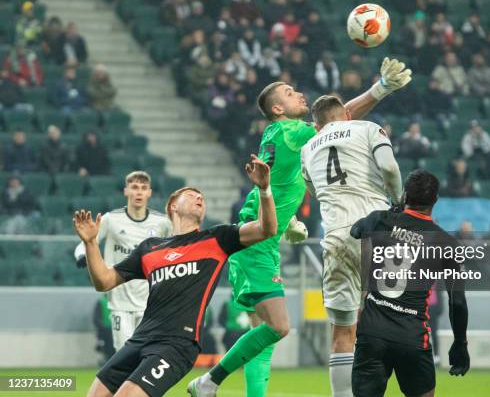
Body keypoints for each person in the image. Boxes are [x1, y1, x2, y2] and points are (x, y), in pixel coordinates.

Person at [189, 58, 412, 397]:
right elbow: (339, 121)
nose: (300, 95)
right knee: (277, 327)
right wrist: (379, 89)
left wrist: (287, 220)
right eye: (291, 93)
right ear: (278, 108)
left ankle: (220, 387)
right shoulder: (294, 132)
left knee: (263, 331)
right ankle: (210, 380)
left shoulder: (282, 136)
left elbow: (279, 183)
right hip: (256, 238)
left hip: (262, 233)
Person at [75, 155, 277, 397]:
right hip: (140, 339)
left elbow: (267, 228)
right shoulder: (150, 248)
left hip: (176, 344)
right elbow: (104, 281)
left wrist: (264, 190)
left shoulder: (217, 239)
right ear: (173, 205)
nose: (199, 197)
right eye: (191, 195)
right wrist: (90, 244)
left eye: (201, 197)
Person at [300, 95, 403, 397]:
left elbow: (316, 193)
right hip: (379, 231)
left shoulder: (308, 149)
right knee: (393, 320)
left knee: (343, 330)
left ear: (316, 125)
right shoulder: (368, 128)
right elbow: (390, 169)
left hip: (337, 237)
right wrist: (397, 204)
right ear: (346, 114)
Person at [350, 169, 470, 397]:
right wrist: (460, 343)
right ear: (435, 200)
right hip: (412, 335)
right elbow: (458, 302)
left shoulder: (380, 220)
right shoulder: (447, 243)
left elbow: (356, 230)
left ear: (404, 195)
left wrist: (390, 213)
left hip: (372, 332)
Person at [74, 171, 173, 352]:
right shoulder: (111, 220)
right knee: (125, 354)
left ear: (149, 193)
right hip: (120, 302)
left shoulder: (162, 223)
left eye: (143, 188)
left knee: (146, 355)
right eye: (134, 187)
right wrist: (82, 256)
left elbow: (178, 248)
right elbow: (85, 243)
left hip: (149, 302)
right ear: (126, 191)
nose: (139, 192)